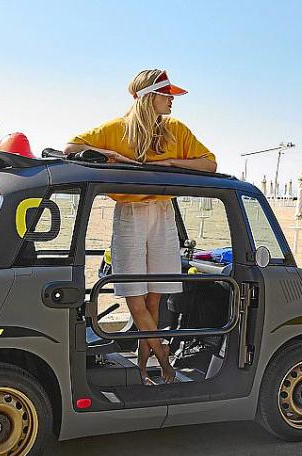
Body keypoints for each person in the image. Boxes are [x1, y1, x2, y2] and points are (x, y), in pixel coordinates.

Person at [64, 69, 217, 384]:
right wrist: (110, 155)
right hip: (130, 213)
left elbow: (209, 164)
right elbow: (70, 148)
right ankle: (165, 362)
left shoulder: (175, 129)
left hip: (163, 212)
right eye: (167, 94)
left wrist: (171, 163)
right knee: (135, 296)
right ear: (149, 97)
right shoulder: (116, 129)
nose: (172, 100)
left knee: (154, 299)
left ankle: (143, 370)